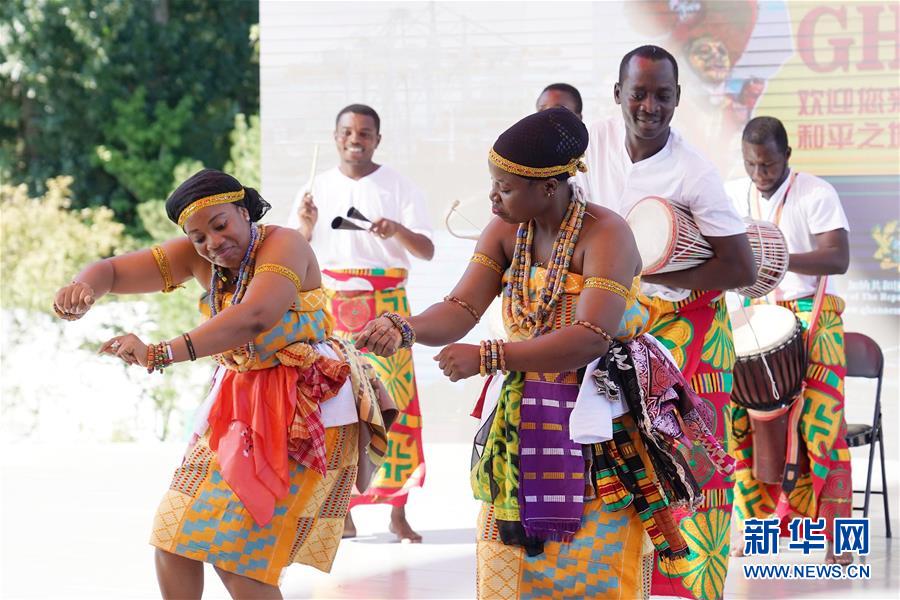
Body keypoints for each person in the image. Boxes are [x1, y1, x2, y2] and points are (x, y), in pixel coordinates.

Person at [355, 108, 734, 599]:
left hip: (600, 421)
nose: (493, 198)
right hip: (521, 420)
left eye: (505, 188)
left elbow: (591, 336)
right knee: (507, 566)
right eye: (493, 185)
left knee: (596, 572)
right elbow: (461, 306)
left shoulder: (607, 233)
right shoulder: (504, 229)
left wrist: (489, 357)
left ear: (550, 187)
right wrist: (405, 327)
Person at [53, 169, 393, 599]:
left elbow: (255, 317)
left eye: (220, 225)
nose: (212, 242)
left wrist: (160, 352)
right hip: (237, 406)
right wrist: (83, 287)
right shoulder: (198, 256)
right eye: (198, 237)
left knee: (241, 564)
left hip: (307, 408)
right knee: (174, 540)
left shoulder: (284, 243)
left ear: (244, 211)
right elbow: (113, 271)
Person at [580, 45, 756, 600]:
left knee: (690, 456)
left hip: (688, 325)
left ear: (678, 99)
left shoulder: (694, 170)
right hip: (616, 317)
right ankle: (625, 581)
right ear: (618, 94)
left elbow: (741, 267)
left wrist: (648, 267)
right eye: (639, 93)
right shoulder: (591, 144)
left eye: (662, 95)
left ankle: (692, 586)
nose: (649, 106)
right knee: (617, 451)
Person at [288, 103, 434, 542]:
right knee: (340, 405)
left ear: (377, 139)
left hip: (386, 305)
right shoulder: (314, 188)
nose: (356, 139)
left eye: (365, 132)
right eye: (348, 132)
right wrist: (305, 226)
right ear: (336, 137)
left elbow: (426, 250)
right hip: (332, 307)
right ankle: (343, 509)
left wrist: (397, 231)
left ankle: (397, 510)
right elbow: (294, 253)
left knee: (396, 403)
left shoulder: (399, 186)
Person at [725, 116, 853, 565]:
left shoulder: (816, 193)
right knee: (742, 427)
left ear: (787, 157)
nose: (759, 173)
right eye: (751, 164)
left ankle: (839, 538)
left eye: (769, 164)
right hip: (756, 315)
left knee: (823, 427)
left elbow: (838, 257)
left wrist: (774, 258)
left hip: (813, 314)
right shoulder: (732, 194)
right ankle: (754, 529)